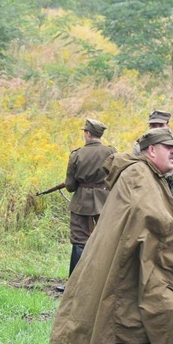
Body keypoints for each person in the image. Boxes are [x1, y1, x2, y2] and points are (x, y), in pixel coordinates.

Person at [51, 127, 173, 344]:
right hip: (133, 261)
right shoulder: (138, 174)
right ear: (151, 151)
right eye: (167, 147)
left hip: (140, 259)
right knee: (137, 315)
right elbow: (150, 216)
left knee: (143, 314)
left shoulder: (149, 174)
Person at [63, 118, 116, 276]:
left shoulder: (77, 155)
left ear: (88, 133)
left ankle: (74, 282)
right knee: (107, 239)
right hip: (105, 202)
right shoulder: (111, 152)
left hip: (81, 203)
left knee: (79, 241)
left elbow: (70, 186)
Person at [133, 110, 173, 226]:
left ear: (168, 125)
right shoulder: (140, 146)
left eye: (161, 125)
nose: (157, 129)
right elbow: (132, 175)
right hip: (144, 197)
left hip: (167, 197)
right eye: (153, 126)